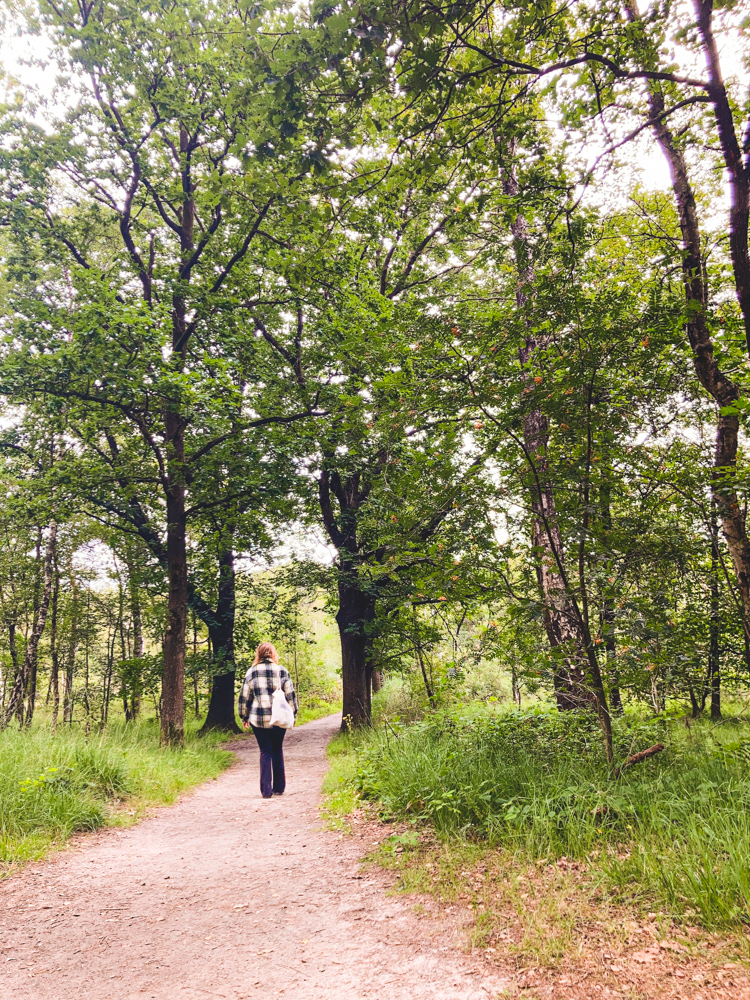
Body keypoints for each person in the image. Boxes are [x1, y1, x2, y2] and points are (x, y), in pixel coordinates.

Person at [238, 641, 298, 799]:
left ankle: (266, 791)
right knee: (277, 748)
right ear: (273, 654)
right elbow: (290, 695)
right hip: (279, 718)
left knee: (265, 751)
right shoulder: (281, 671)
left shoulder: (251, 672)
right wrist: (294, 714)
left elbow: (245, 697)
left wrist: (244, 716)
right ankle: (279, 787)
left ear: (258, 654)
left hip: (259, 718)